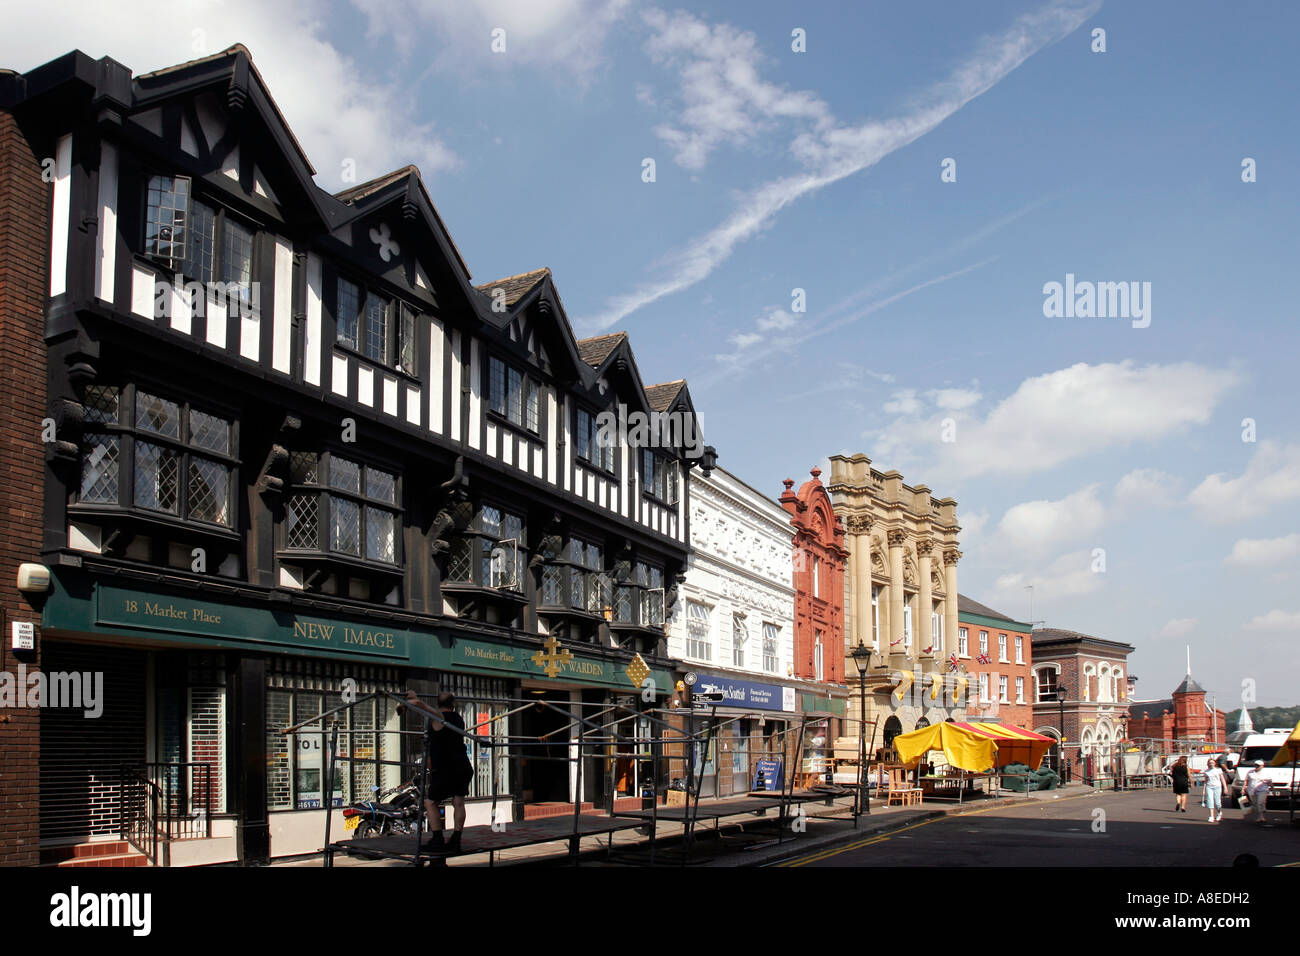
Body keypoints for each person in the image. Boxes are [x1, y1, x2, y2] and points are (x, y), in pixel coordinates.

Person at [405, 689, 474, 853]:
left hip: (446, 768)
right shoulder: (458, 718)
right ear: (453, 704)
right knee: (458, 802)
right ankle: (455, 840)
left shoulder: (440, 718)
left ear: (438, 704)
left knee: (430, 802)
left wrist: (416, 701)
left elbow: (432, 713)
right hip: (462, 766)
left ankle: (437, 839)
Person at [1244, 759, 1271, 826]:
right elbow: (1246, 780)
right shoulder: (1250, 772)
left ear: (1262, 766)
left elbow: (1270, 782)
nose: (1256, 766)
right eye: (1255, 765)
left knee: (1260, 802)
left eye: (1258, 765)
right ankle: (1260, 815)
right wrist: (1243, 788)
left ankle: (1261, 817)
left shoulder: (1266, 773)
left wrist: (1273, 789)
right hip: (1252, 790)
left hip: (1262, 789)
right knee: (1255, 804)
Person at [1202, 757, 1227, 823]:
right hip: (1209, 787)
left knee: (1217, 802)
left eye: (1212, 763)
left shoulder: (1218, 770)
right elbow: (1205, 781)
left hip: (1217, 787)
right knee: (1210, 801)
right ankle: (1211, 816)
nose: (1211, 764)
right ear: (1208, 764)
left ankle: (1219, 812)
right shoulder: (1206, 771)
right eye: (1210, 763)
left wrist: (1225, 788)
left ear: (1215, 763)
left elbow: (1222, 779)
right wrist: (1204, 790)